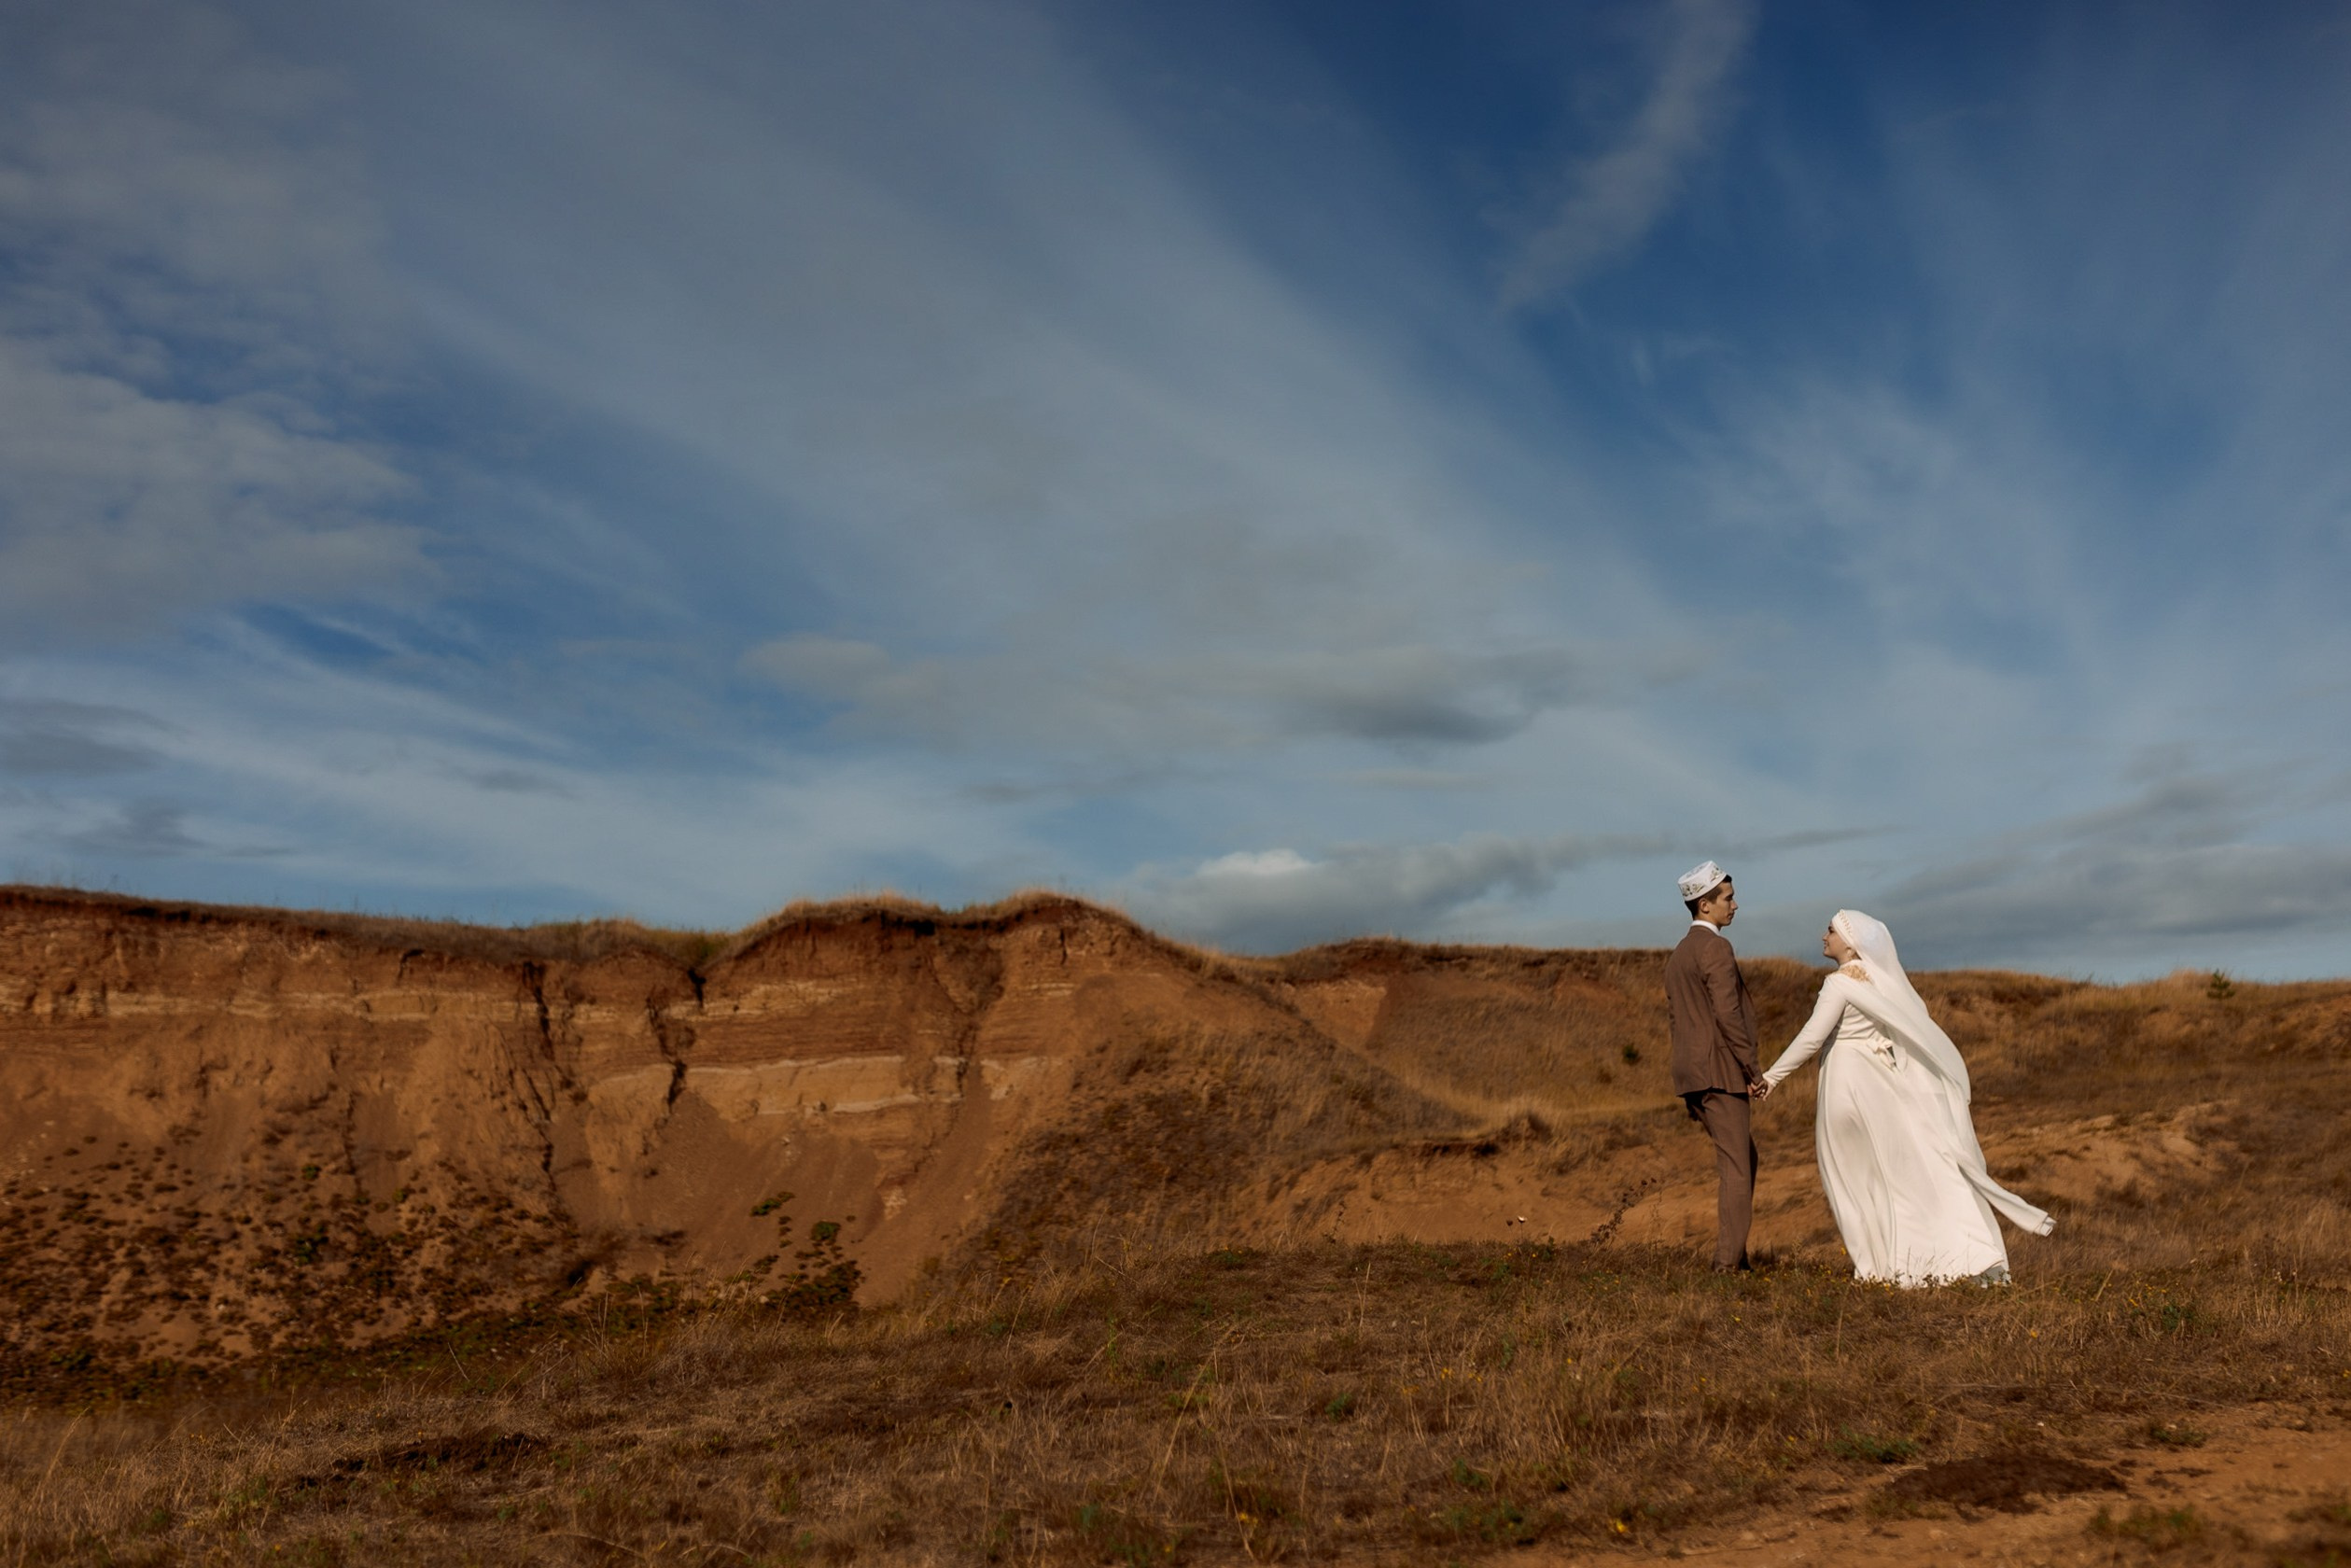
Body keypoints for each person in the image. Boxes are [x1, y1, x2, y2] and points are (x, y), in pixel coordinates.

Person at [1757, 909, 2053, 1286]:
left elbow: (1813, 1038)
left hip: (1844, 1083)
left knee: (1848, 1179)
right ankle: (1929, 1259)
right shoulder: (1881, 982)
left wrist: (1772, 1077)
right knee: (1893, 1175)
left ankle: (1874, 1269)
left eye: (1830, 930)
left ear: (1850, 941)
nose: (1823, 936)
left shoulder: (1838, 984)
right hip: (1879, 1085)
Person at [1662, 861, 1766, 1271]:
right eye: (1727, 898)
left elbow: (1678, 1022)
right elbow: (1728, 1015)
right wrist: (1753, 1071)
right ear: (1704, 905)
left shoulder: (1679, 955)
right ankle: (1728, 1267)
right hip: (1721, 1074)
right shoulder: (1715, 948)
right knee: (1738, 1168)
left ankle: (1734, 1258)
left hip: (1695, 1075)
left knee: (1743, 1158)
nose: (1735, 905)